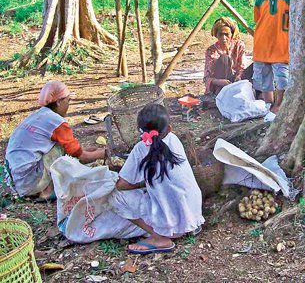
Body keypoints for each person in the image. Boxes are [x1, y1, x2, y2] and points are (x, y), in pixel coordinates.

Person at [109, 103, 204, 255]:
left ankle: (159, 238)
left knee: (115, 197)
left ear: (140, 131)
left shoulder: (141, 148)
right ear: (169, 128)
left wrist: (141, 183)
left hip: (170, 228)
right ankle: (186, 227)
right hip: (193, 217)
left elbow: (121, 185)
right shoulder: (174, 140)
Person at [4, 80, 106, 200]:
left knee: (62, 147)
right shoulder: (57, 122)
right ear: (58, 102)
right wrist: (102, 153)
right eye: (67, 101)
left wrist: (85, 151)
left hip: (17, 180)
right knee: (59, 147)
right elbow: (80, 156)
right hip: (30, 183)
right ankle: (46, 191)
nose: (68, 105)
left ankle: (41, 187)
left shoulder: (38, 115)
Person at [252, 0, 291, 122]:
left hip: (282, 48)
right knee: (263, 79)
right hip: (261, 48)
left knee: (283, 79)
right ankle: (268, 104)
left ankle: (280, 104)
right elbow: (257, 20)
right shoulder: (261, 0)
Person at [204, 17, 247, 94]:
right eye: (220, 34)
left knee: (256, 66)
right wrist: (219, 82)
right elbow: (207, 77)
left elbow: (242, 67)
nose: (224, 38)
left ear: (232, 34)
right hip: (220, 86)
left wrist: (239, 76)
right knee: (225, 59)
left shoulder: (239, 45)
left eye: (226, 34)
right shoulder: (211, 51)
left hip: (236, 82)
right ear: (216, 35)